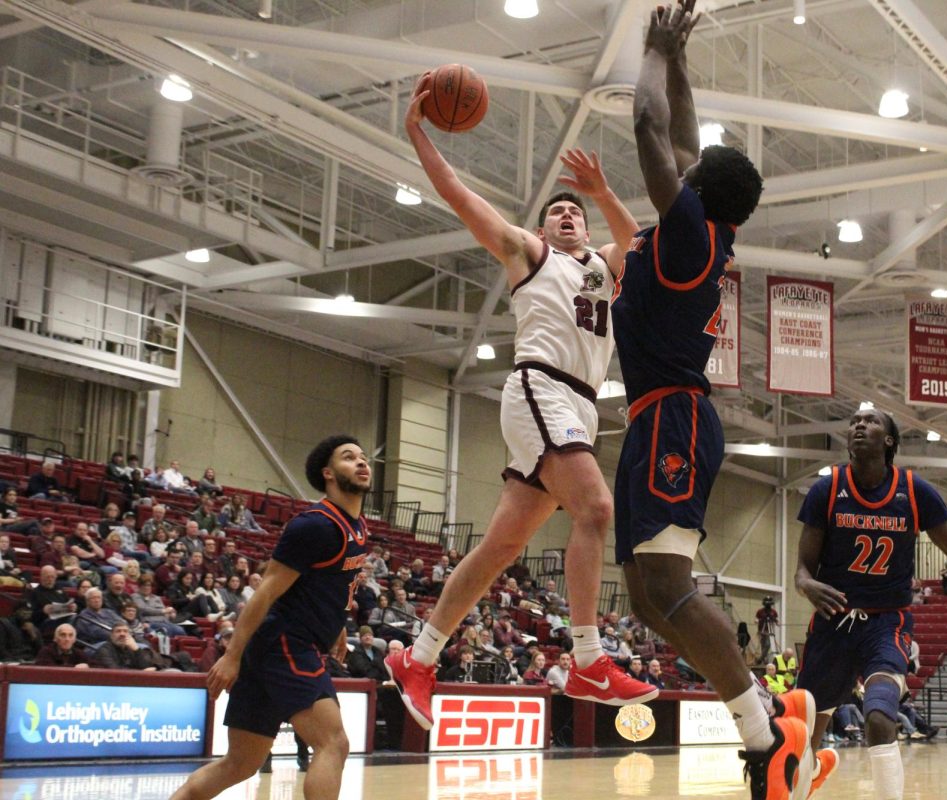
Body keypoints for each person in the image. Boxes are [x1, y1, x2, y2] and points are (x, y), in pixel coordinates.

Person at [385, 46, 651, 731]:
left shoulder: (600, 268)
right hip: (540, 389)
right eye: (557, 211)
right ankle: (588, 657)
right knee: (595, 509)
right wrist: (417, 131)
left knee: (501, 548)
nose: (567, 216)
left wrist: (602, 195)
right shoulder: (530, 256)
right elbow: (457, 194)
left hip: (580, 407)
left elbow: (639, 246)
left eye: (576, 213)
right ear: (540, 230)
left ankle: (418, 657)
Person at [607, 5, 811, 800]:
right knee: (647, 598)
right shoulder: (702, 228)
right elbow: (681, 142)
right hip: (659, 415)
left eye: (690, 172)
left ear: (695, 192)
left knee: (667, 590)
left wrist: (654, 51)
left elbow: (649, 127)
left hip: (674, 417)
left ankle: (766, 741)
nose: (681, 169)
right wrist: (682, 56)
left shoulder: (689, 234)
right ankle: (763, 722)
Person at [791, 407, 947, 800]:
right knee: (805, 734)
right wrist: (806, 585)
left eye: (870, 421)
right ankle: (807, 774)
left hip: (886, 624)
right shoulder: (826, 490)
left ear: (889, 441)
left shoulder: (914, 491)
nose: (859, 426)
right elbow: (801, 570)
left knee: (880, 716)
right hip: (834, 622)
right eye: (854, 422)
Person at [167, 435, 371, 800]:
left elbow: (333, 583)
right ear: (327, 473)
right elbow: (266, 591)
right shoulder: (315, 525)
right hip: (287, 644)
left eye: (363, 458)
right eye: (348, 457)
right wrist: (231, 656)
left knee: (240, 764)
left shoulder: (357, 526)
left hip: (278, 649)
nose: (361, 463)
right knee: (334, 744)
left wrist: (339, 627)